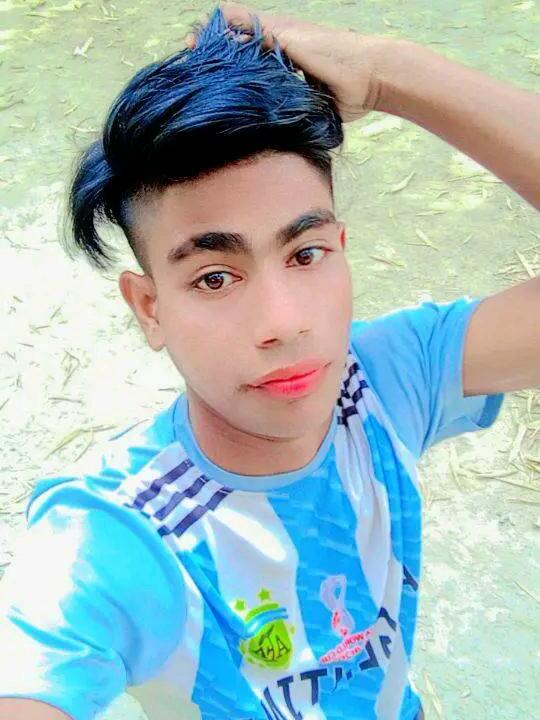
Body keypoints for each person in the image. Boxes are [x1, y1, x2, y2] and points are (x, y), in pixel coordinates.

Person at [0, 3, 538, 719]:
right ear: (150, 307)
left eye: (305, 254)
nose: (283, 323)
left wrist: (387, 73)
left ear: (341, 249)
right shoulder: (119, 534)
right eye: (215, 277)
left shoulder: (385, 383)